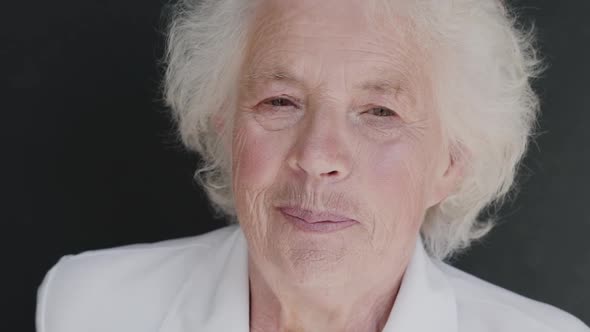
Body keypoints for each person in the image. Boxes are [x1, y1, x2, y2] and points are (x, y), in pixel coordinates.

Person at [36, 0, 589, 331]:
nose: (318, 156)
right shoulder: (89, 303)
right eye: (280, 102)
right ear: (225, 127)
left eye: (380, 112)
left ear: (451, 162)